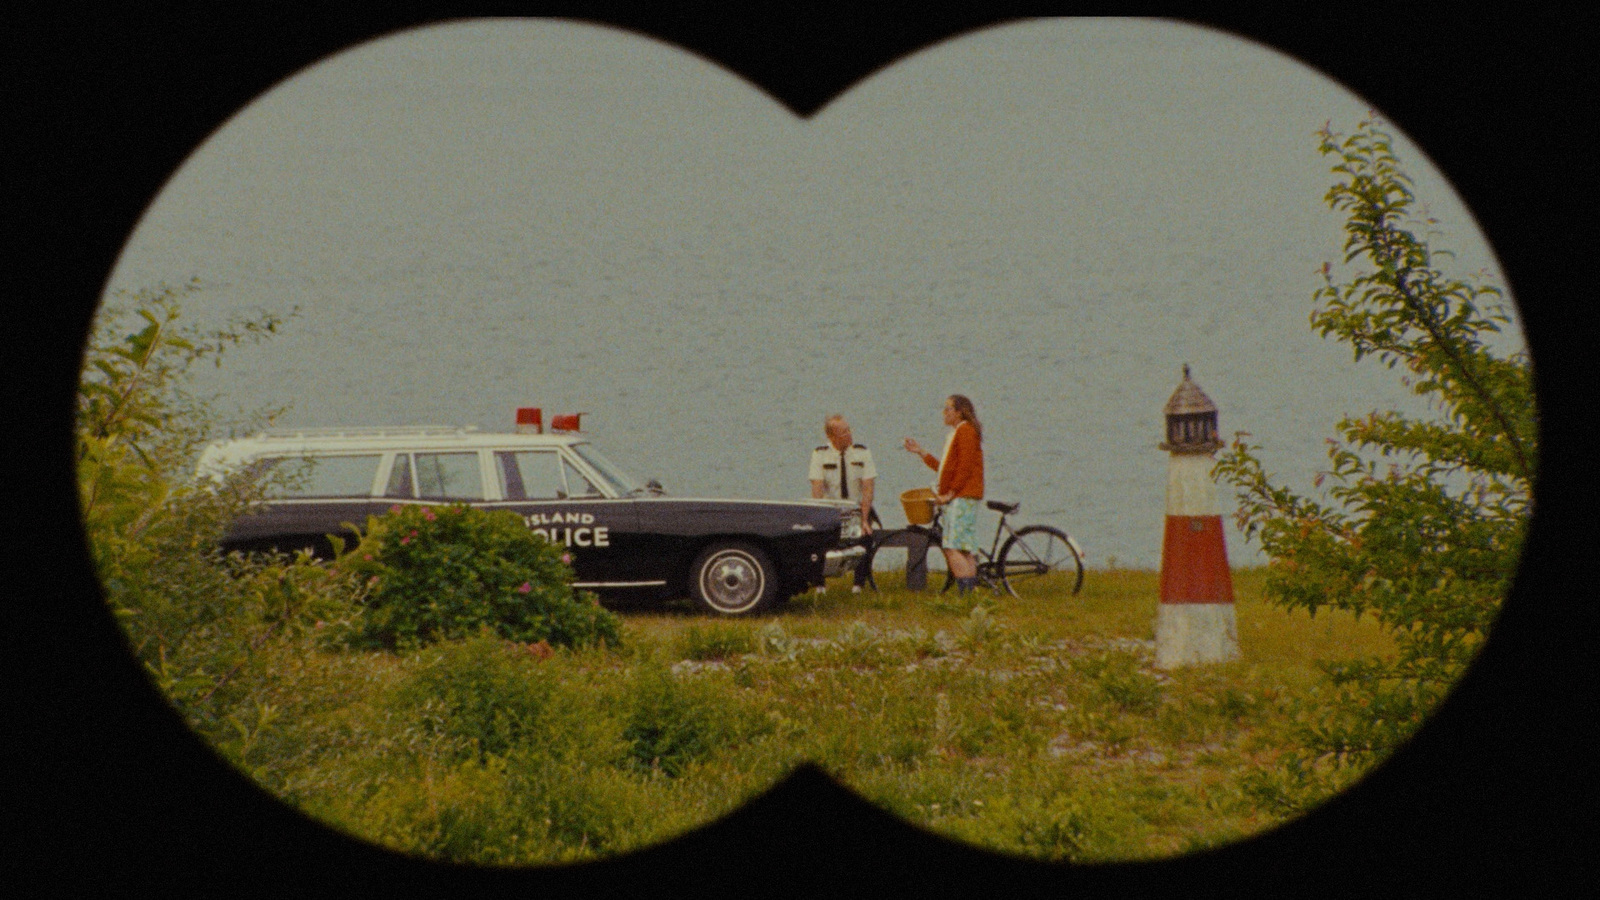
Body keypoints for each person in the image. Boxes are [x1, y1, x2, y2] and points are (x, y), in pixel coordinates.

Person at [903, 394, 985, 594]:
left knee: (951, 547)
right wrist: (922, 453)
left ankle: (965, 593)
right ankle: (970, 594)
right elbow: (946, 469)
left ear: (959, 412)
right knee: (964, 548)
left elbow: (964, 467)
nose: (944, 412)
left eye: (948, 408)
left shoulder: (965, 431)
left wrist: (950, 493)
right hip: (964, 495)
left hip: (961, 497)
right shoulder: (959, 432)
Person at [808, 414, 881, 592]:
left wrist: (864, 519)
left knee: (865, 537)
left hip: (856, 509)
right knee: (816, 541)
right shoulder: (820, 454)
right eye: (844, 432)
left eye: (849, 430)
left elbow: (868, 488)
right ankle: (819, 585)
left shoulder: (862, 452)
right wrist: (820, 517)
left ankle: (858, 585)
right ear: (831, 437)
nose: (849, 435)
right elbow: (817, 488)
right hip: (831, 510)